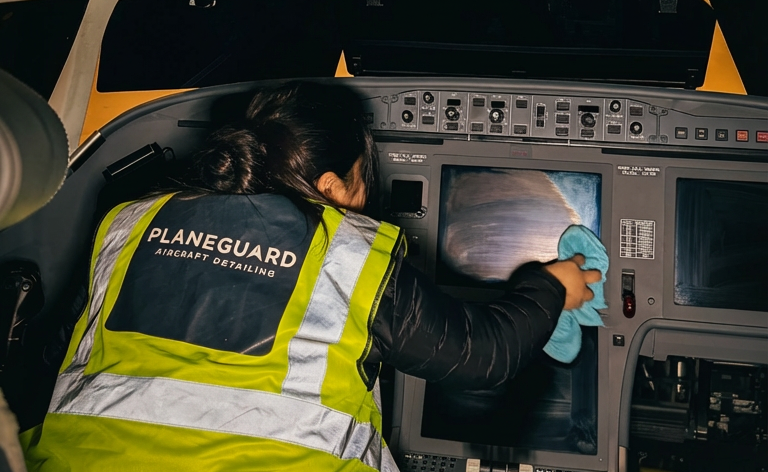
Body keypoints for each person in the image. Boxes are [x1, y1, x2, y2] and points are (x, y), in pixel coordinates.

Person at [21, 81, 601, 472]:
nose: (364, 196)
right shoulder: (345, 250)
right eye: (359, 179)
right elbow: (483, 356)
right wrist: (554, 285)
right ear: (327, 188)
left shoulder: (131, 219)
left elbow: (59, 355)